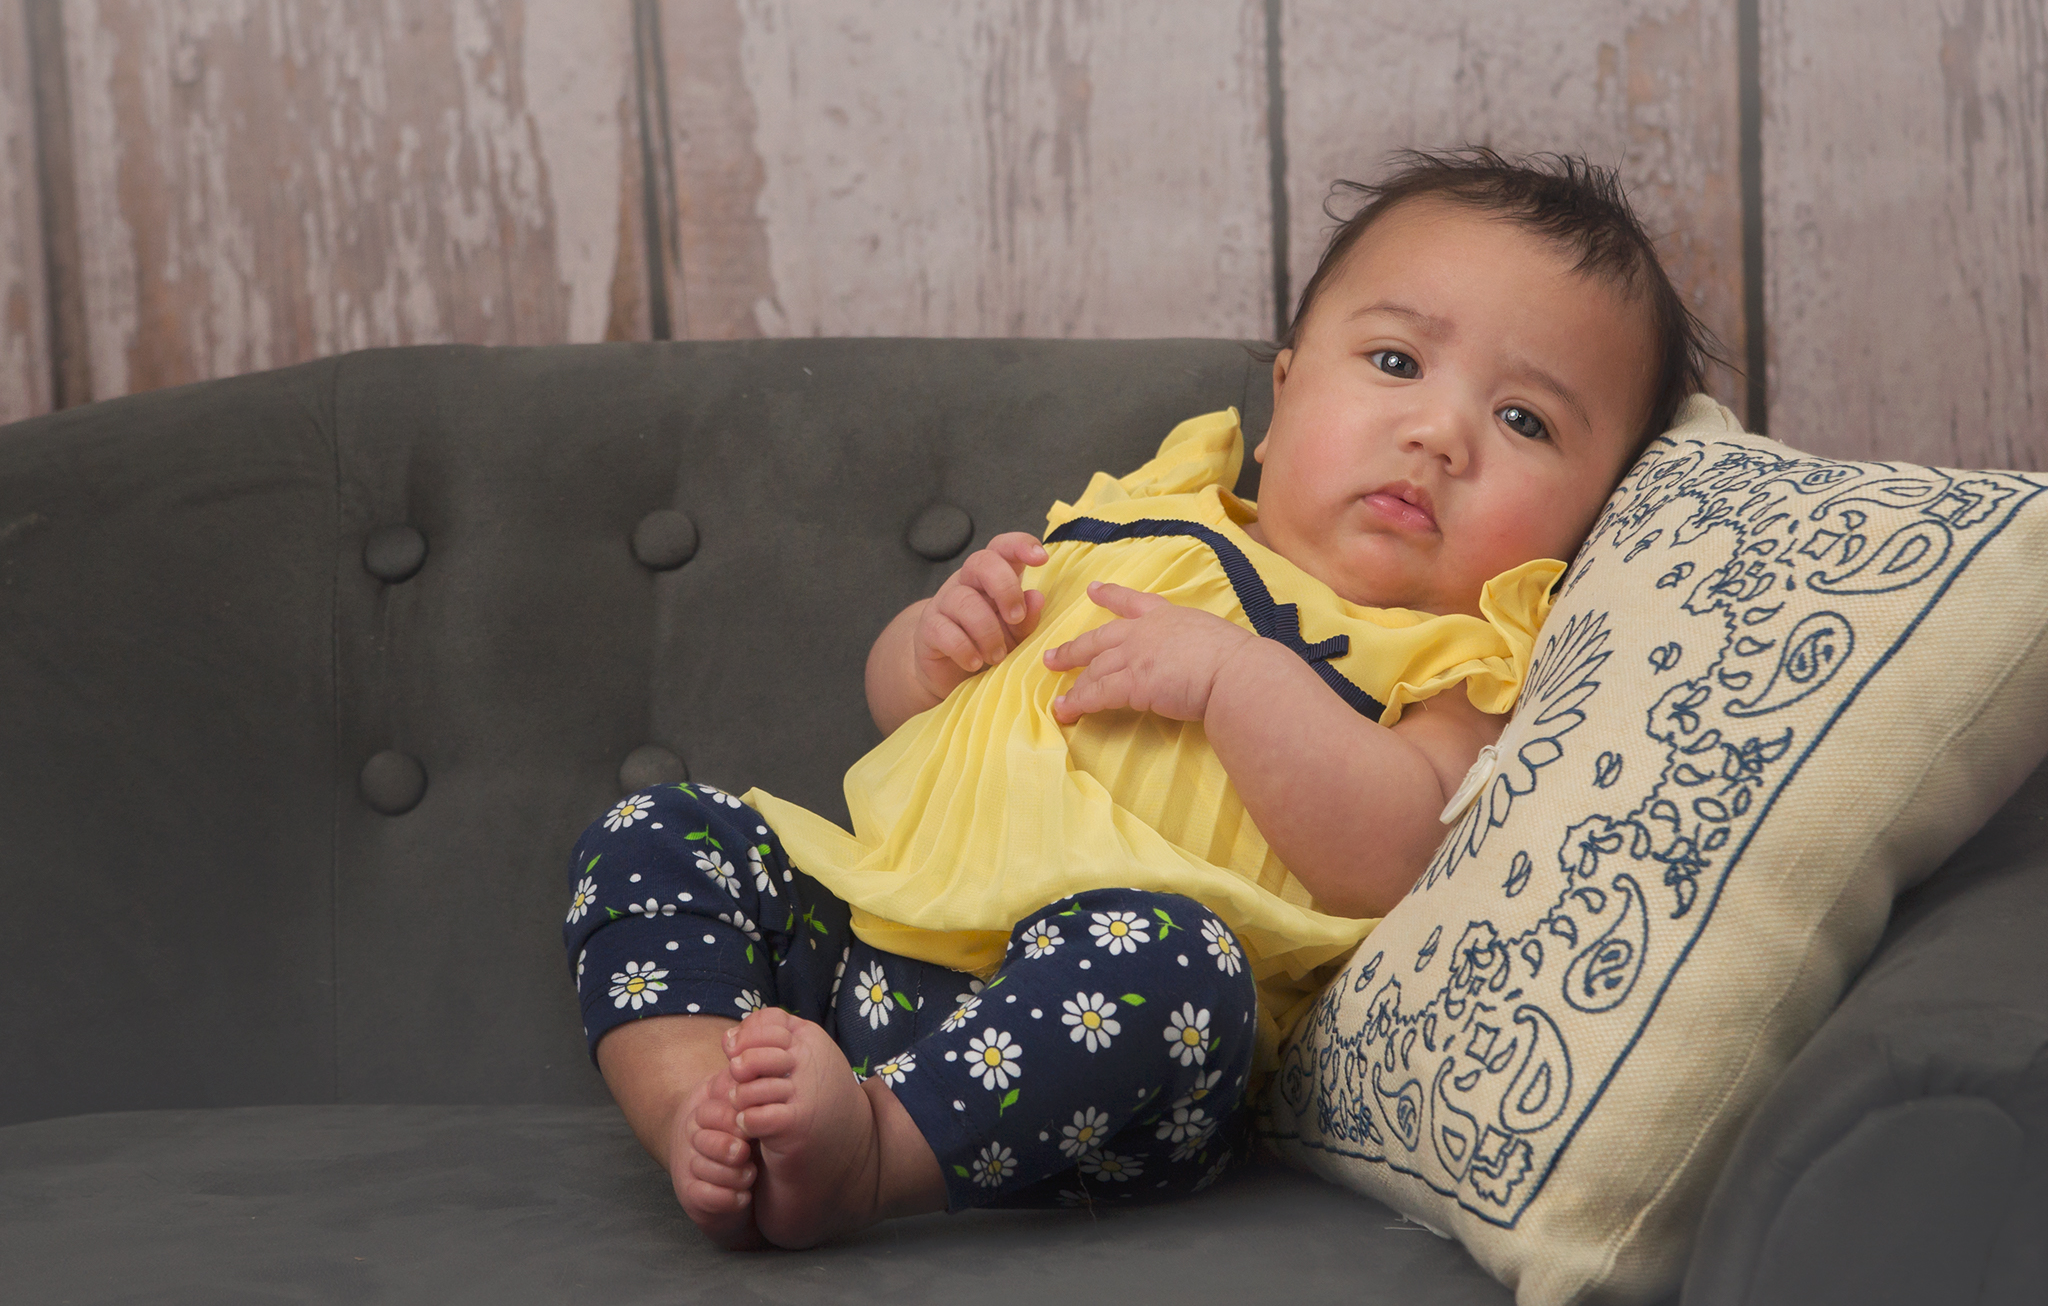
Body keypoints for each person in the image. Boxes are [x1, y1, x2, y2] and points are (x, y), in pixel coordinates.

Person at [562, 147, 1717, 1250]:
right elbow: (904, 713)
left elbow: (1395, 849)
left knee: (1175, 962)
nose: (1438, 433)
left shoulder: (1452, 657)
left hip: (1105, 1043)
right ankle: (700, 1112)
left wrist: (1236, 680)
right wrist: (930, 645)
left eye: (1524, 421)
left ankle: (875, 1151)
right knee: (664, 831)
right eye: (1394, 363)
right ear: (1282, 395)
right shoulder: (1153, 511)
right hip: (879, 934)